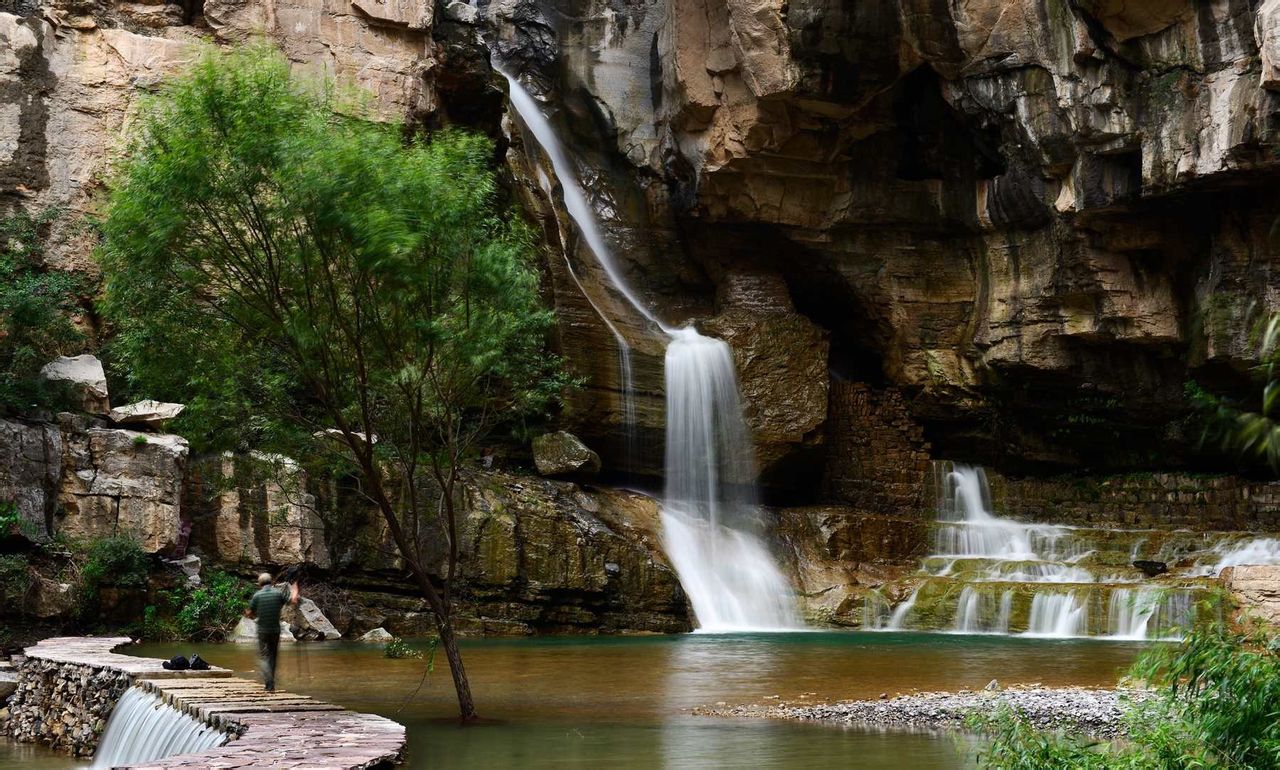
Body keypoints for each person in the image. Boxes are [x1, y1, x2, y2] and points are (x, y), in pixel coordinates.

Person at [245, 572, 299, 691]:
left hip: (262, 631)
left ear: (260, 583)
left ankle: (269, 682)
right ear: (271, 582)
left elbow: (249, 613)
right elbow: (294, 600)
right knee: (273, 657)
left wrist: (251, 613)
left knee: (264, 657)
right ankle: (271, 685)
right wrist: (295, 587)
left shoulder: (257, 596)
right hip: (275, 631)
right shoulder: (278, 594)